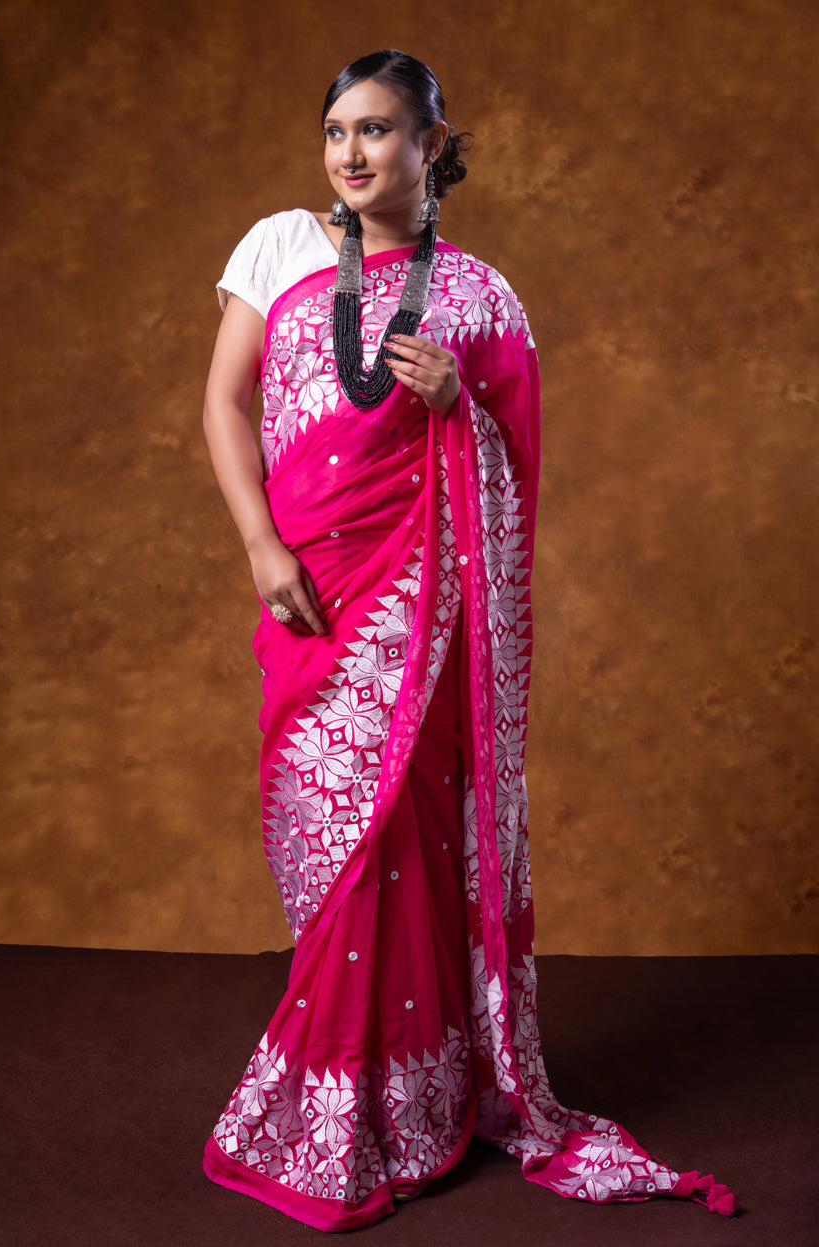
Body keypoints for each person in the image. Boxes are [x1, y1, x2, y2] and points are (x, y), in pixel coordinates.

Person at [201, 49, 736, 1232]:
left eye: (378, 130)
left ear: (433, 146)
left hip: (414, 623)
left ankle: (395, 1103)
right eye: (336, 130)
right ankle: (356, 1084)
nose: (350, 153)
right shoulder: (279, 246)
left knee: (396, 834)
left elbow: (513, 466)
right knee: (320, 833)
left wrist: (457, 405)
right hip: (309, 595)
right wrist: (260, 546)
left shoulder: (484, 297)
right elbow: (220, 403)